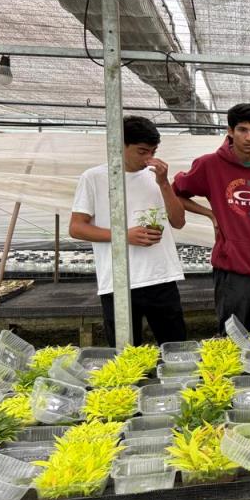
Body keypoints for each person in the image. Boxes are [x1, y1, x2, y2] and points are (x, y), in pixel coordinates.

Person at [173, 103, 250, 333]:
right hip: (232, 265)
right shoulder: (209, 165)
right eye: (242, 130)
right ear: (229, 131)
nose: (249, 137)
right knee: (232, 335)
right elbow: (175, 193)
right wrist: (210, 214)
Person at [70, 116, 188, 346]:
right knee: (126, 354)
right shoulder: (94, 178)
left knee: (176, 347)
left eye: (153, 151)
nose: (148, 159)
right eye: (142, 151)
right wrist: (125, 236)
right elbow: (76, 227)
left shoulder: (156, 178)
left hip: (161, 276)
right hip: (118, 281)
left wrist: (164, 183)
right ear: (119, 145)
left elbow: (178, 221)